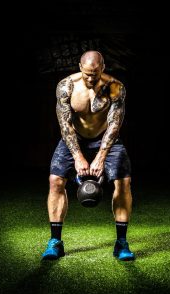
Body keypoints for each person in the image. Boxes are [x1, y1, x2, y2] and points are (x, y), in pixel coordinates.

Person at [42, 50, 135, 261]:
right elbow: (65, 125)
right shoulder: (67, 86)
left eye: (95, 74)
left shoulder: (114, 87)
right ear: (79, 67)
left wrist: (101, 157)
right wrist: (78, 156)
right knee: (55, 180)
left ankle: (121, 243)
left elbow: (114, 125)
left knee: (124, 182)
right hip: (74, 138)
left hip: (106, 139)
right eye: (87, 74)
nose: (91, 79)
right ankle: (55, 242)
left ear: (102, 68)